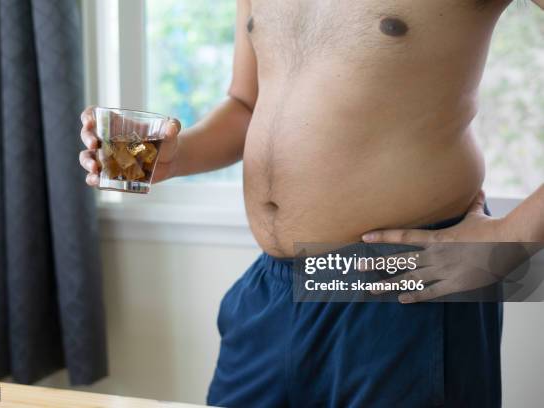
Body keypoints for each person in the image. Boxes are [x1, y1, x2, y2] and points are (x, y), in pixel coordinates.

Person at [79, 0, 544, 406]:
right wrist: (173, 157)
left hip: (399, 284)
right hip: (272, 286)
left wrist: (511, 240)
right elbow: (245, 103)